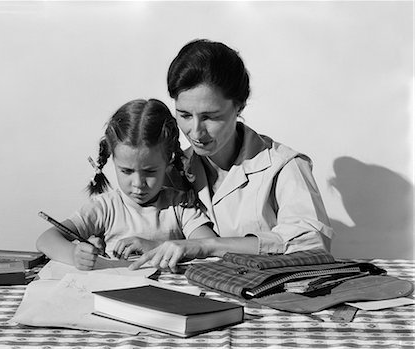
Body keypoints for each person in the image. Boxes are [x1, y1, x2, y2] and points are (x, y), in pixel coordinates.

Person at [126, 39, 334, 272]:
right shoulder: (171, 170)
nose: (195, 132)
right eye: (184, 115)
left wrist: (206, 245)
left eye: (210, 117)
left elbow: (313, 244)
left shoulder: (284, 166)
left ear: (240, 106)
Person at [36, 99, 215, 270]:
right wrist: (75, 255)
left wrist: (157, 247)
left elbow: (209, 246)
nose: (138, 184)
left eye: (150, 172)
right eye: (127, 171)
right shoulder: (105, 208)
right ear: (113, 159)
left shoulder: (180, 206)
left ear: (168, 161)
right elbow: (46, 239)